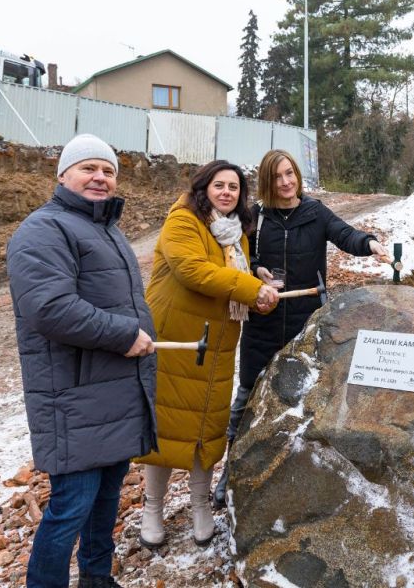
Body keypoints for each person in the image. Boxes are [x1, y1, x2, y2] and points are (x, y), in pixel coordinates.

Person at [7, 134, 156, 588]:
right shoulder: (43, 229)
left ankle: (97, 578)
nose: (100, 177)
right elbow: (49, 308)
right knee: (71, 508)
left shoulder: (105, 229)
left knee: (105, 503)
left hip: (109, 393)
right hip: (73, 397)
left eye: (108, 170)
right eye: (89, 168)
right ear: (63, 175)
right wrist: (123, 334)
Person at [212, 149, 389, 506]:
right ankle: (230, 476)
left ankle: (295, 478)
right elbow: (245, 257)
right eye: (277, 177)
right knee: (245, 400)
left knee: (303, 402)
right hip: (261, 324)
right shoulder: (256, 217)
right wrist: (258, 270)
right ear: (267, 181)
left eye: (289, 173)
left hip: (305, 324)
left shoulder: (314, 212)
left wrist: (369, 243)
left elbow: (345, 234)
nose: (285, 182)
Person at [136, 160, 279, 548]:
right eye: (220, 185)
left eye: (234, 187)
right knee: (167, 422)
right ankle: (153, 509)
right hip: (177, 338)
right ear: (204, 187)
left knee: (207, 425)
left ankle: (200, 503)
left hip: (217, 343)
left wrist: (257, 286)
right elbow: (194, 271)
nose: (227, 192)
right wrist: (249, 288)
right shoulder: (183, 221)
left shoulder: (237, 234)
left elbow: (235, 279)